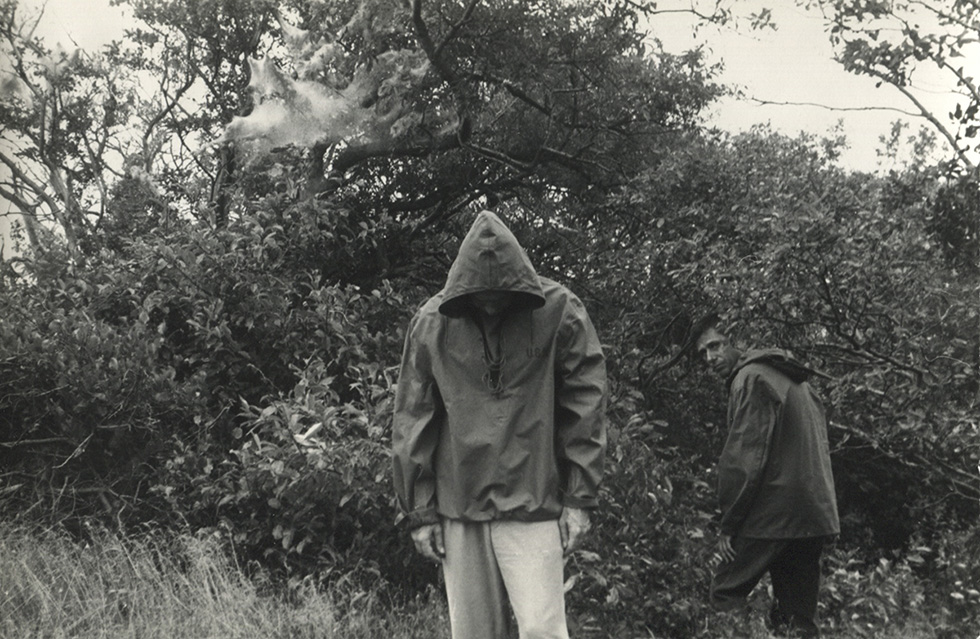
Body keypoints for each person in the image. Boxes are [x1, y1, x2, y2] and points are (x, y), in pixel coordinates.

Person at [392, 210, 607, 639]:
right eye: (480, 294)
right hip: (459, 506)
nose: (490, 302)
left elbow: (587, 402)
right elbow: (413, 416)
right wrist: (420, 512)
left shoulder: (560, 310)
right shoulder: (433, 323)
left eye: (500, 293)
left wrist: (580, 498)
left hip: (534, 500)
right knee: (473, 634)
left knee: (544, 631)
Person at [691, 314, 840, 638]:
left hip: (776, 511)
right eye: (703, 353)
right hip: (811, 514)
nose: (710, 358)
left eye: (715, 345)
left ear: (738, 339)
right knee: (797, 618)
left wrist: (729, 525)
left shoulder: (750, 378)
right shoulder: (796, 380)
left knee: (725, 592)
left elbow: (745, 459)